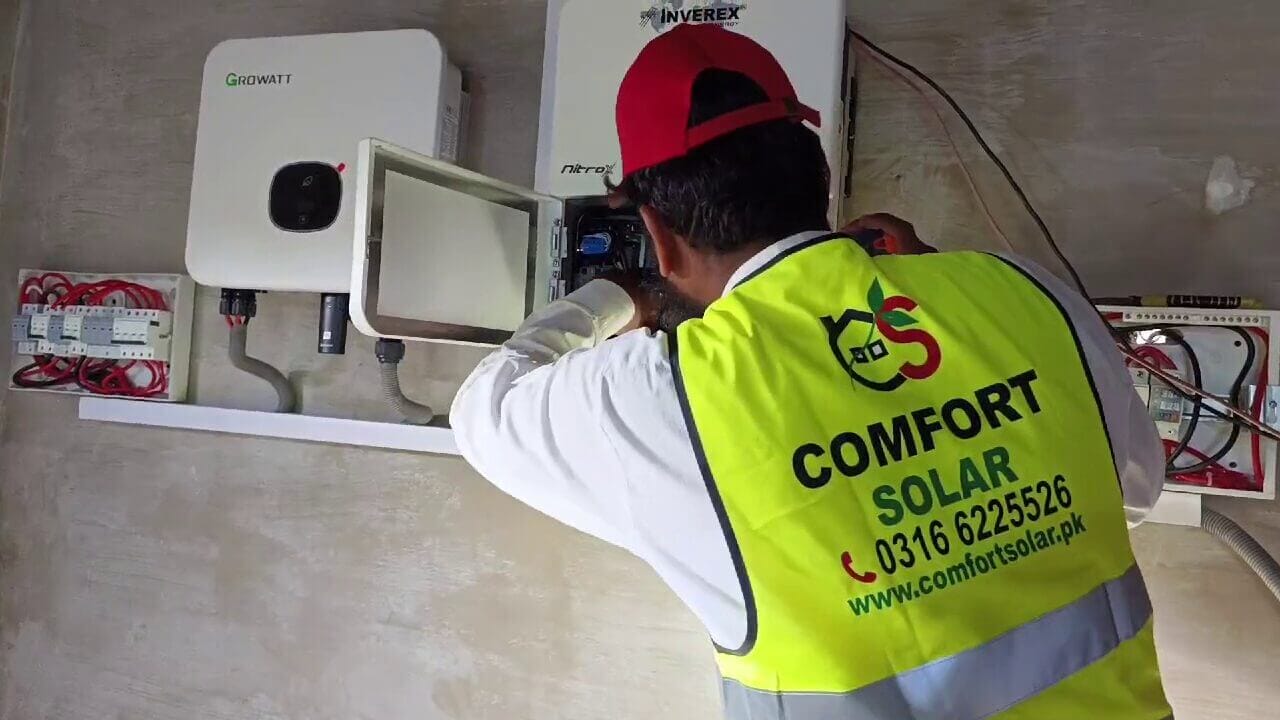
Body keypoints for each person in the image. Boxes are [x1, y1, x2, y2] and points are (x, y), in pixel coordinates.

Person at [452, 23, 1171, 720]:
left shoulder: (665, 397)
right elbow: (1133, 491)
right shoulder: (1025, 291)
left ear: (660, 238)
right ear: (820, 179)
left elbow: (485, 405)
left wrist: (620, 293)